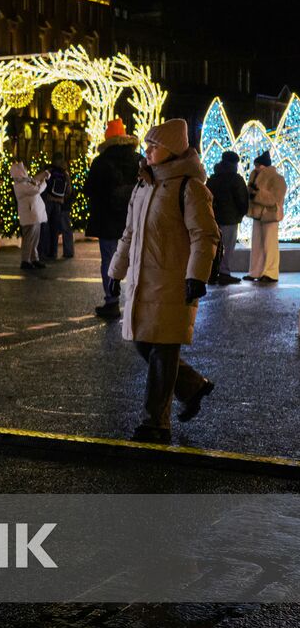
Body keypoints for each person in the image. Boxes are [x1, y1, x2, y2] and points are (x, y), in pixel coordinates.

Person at [108, 118, 220, 444]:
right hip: (144, 280)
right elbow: (129, 233)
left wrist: (196, 276)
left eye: (154, 145)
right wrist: (116, 271)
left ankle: (155, 422)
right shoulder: (144, 184)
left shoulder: (190, 188)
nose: (148, 150)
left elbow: (204, 235)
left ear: (171, 150)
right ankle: (192, 386)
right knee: (144, 341)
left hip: (174, 282)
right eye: (147, 145)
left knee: (163, 350)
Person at [84, 119, 141, 318]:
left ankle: (112, 301)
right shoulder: (138, 160)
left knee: (109, 260)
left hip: (107, 219)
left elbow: (89, 189)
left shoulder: (101, 162)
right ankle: (137, 301)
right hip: (134, 219)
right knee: (136, 259)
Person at [205, 151, 249, 285]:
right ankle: (224, 272)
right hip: (230, 219)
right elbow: (242, 199)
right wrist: (242, 212)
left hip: (214, 218)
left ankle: (211, 273)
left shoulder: (213, 178)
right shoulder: (236, 179)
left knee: (215, 247)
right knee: (228, 247)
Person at [244, 151, 287, 283]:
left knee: (269, 245)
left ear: (264, 166)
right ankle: (256, 271)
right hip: (258, 215)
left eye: (258, 165)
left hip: (270, 215)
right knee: (257, 245)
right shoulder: (256, 176)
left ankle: (270, 272)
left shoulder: (277, 179)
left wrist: (256, 194)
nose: (256, 168)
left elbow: (275, 198)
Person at [11, 162, 49, 270]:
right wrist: (43, 181)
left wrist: (42, 176)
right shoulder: (20, 185)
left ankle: (34, 258)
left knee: (34, 239)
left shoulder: (25, 181)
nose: (26, 172)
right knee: (29, 239)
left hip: (34, 215)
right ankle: (26, 260)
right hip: (29, 215)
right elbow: (37, 190)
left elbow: (35, 180)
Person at [40, 152, 75, 260]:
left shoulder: (48, 170)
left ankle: (45, 252)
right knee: (56, 228)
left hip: (48, 201)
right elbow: (69, 190)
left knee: (46, 227)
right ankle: (54, 252)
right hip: (59, 202)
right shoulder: (65, 173)